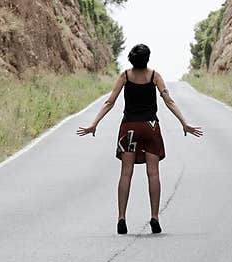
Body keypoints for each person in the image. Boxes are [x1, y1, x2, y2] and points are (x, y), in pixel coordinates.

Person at [77, 44, 203, 235]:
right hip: (150, 126)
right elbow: (169, 101)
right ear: (147, 58)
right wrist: (184, 122)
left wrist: (94, 123)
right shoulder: (154, 76)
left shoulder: (125, 76)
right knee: (153, 173)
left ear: (130, 59)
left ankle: (121, 218)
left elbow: (109, 102)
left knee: (126, 173)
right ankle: (154, 217)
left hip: (129, 127)